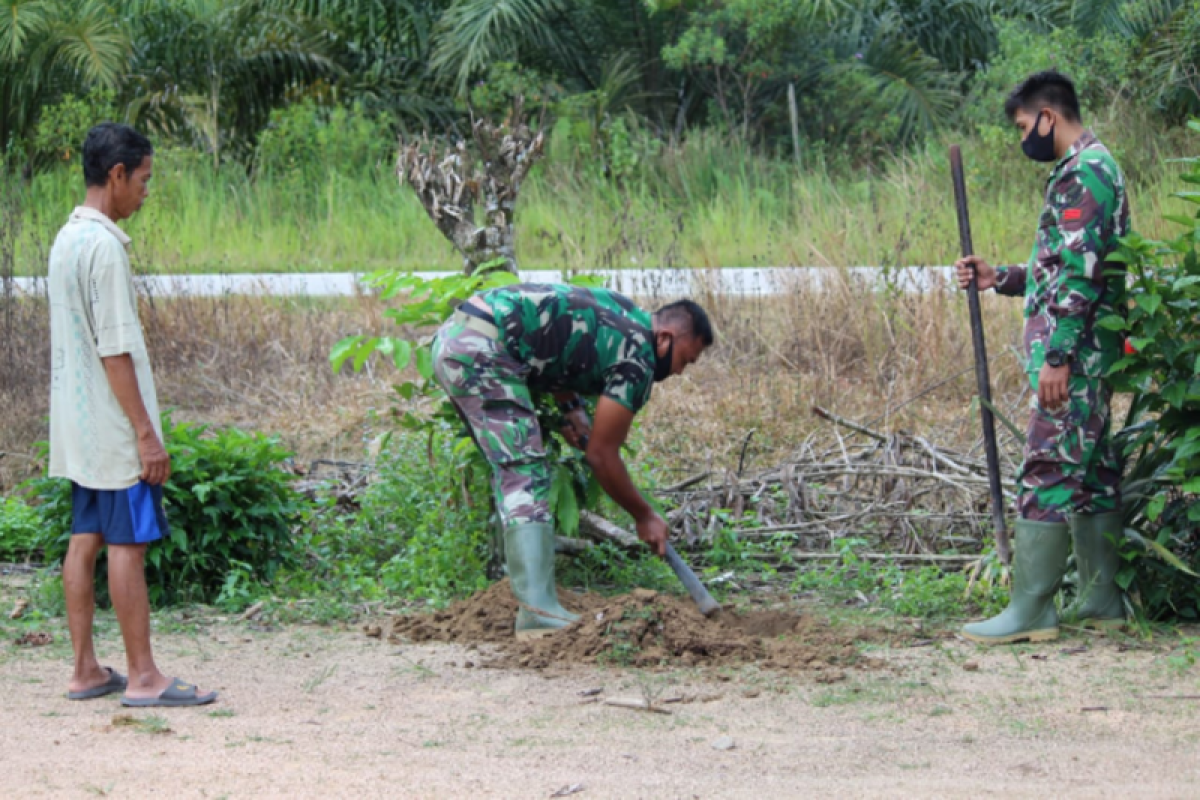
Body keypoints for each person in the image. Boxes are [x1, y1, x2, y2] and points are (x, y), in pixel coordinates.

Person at [432, 283, 714, 638]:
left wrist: (572, 409)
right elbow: (601, 455)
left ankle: (535, 601)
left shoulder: (620, 311)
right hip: (483, 351)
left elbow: (553, 342)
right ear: (665, 338)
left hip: (457, 337)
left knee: (513, 466)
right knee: (524, 471)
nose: (680, 372)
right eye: (685, 359)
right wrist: (644, 515)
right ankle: (537, 610)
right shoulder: (638, 358)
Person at [955, 72, 1129, 644]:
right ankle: (1101, 600)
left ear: (1049, 116)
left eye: (1025, 126)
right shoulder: (1087, 170)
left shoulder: (1085, 174)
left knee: (1047, 468)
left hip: (1073, 361)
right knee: (1094, 473)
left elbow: (1081, 278)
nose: (1024, 137)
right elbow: (1062, 271)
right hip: (1088, 354)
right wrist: (998, 277)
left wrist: (1057, 357)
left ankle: (1031, 609)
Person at [49, 123, 216, 706]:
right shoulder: (106, 249)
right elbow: (114, 350)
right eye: (143, 179)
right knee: (127, 544)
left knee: (84, 538)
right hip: (115, 428)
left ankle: (85, 669)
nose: (147, 191)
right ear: (116, 175)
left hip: (77, 425)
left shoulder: (65, 240)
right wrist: (146, 434)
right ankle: (143, 677)